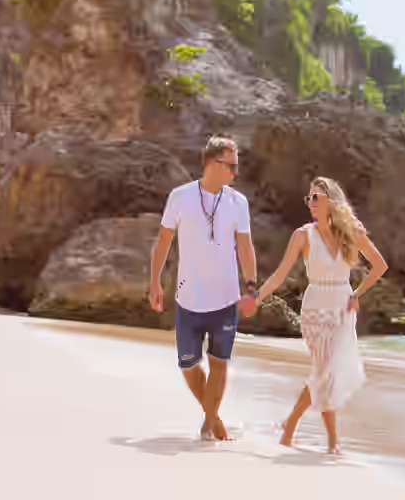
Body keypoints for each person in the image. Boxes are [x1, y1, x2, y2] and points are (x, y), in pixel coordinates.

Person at [254, 177, 387, 454]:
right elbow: (280, 275)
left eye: (316, 197)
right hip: (315, 307)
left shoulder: (350, 233)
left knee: (325, 372)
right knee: (324, 371)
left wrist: (356, 294)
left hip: (341, 307)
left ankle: (290, 426)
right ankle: (332, 442)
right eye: (309, 198)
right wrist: (256, 298)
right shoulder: (302, 235)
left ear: (331, 201)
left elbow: (379, 265)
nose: (311, 203)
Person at [148, 135, 259, 442]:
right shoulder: (180, 197)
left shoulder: (238, 203)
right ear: (212, 163)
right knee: (187, 365)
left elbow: (246, 248)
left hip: (225, 298)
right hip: (187, 297)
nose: (235, 173)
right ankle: (216, 418)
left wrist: (251, 287)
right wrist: (155, 281)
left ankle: (209, 425)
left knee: (220, 363)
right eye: (231, 166)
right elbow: (163, 243)